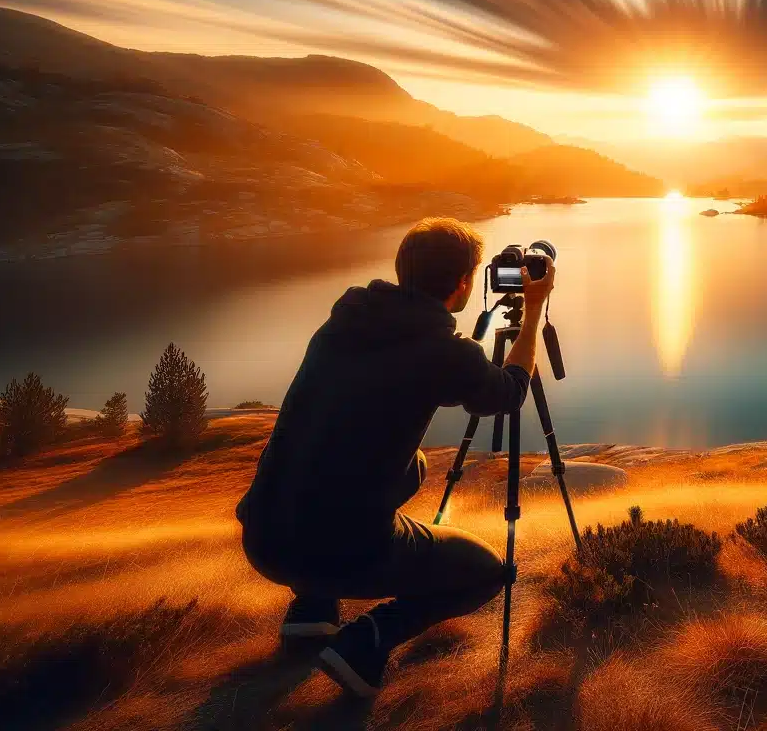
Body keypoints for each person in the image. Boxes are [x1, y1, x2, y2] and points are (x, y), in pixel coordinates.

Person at [236, 216, 555, 698]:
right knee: (489, 572)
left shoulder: (344, 320)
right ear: (466, 281)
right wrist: (533, 312)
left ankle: (311, 610)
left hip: (262, 536)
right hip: (343, 551)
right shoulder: (443, 351)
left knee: (414, 467)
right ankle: (366, 642)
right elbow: (508, 392)